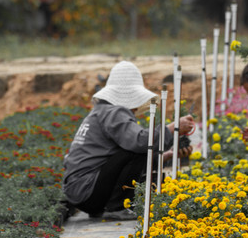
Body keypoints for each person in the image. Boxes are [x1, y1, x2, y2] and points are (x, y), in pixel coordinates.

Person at [63, 61, 194, 220]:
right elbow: (140, 143)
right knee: (136, 148)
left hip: (81, 193)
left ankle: (110, 207)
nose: (135, 108)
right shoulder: (114, 112)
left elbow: (122, 160)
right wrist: (173, 128)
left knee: (136, 151)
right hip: (87, 191)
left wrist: (166, 155)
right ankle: (116, 207)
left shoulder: (102, 111)